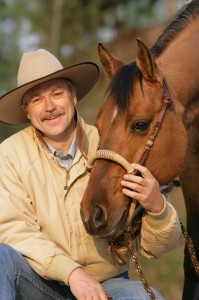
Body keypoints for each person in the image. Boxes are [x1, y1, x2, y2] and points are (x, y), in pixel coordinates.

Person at [0, 48, 181, 300]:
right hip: (40, 283)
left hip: (107, 283)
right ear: (26, 111)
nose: (50, 107)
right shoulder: (9, 155)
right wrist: (71, 273)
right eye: (37, 100)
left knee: (144, 298)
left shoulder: (109, 144)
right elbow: (12, 229)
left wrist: (157, 207)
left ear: (73, 97)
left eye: (57, 94)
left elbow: (155, 249)